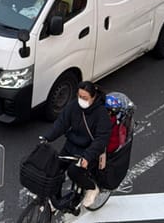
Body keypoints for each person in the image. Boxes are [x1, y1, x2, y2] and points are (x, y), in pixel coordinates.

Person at [43, 81, 112, 209]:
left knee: (74, 172)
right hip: (71, 145)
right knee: (55, 168)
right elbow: (62, 123)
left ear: (93, 97)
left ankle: (92, 188)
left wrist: (87, 157)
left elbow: (101, 140)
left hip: (89, 151)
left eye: (85, 98)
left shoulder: (101, 115)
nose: (81, 100)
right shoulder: (74, 106)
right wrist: (47, 137)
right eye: (79, 96)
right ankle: (55, 199)